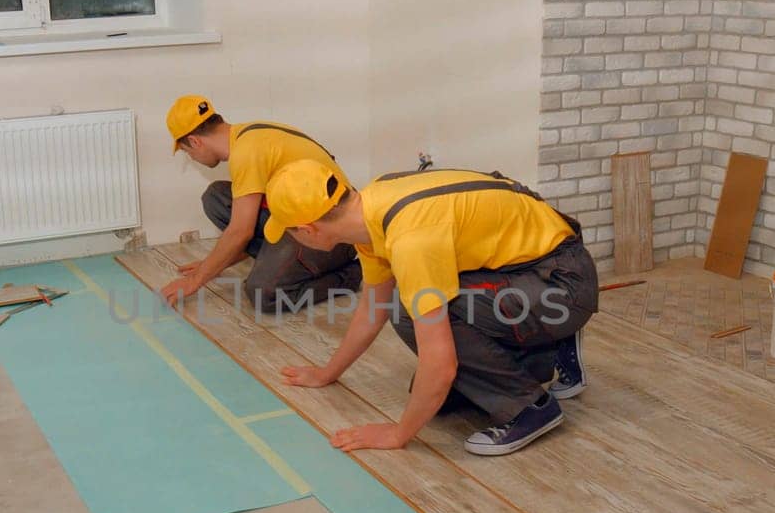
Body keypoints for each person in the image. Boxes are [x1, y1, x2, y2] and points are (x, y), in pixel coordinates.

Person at [266, 160, 599, 456]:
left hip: (560, 285)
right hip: (527, 270)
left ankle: (530, 407)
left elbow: (440, 365)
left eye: (289, 232)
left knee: (414, 315)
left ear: (308, 229)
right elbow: (374, 306)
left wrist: (398, 434)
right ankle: (544, 353)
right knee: (413, 335)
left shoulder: (409, 238)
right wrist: (328, 372)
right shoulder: (371, 210)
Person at [160, 95, 361, 312]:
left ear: (195, 141)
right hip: (298, 218)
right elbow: (245, 222)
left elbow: (240, 231)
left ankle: (348, 276)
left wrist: (195, 281)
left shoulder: (245, 153)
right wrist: (212, 265)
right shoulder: (249, 135)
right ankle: (276, 260)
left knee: (263, 294)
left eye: (187, 151)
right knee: (216, 197)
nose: (191, 157)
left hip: (332, 234)